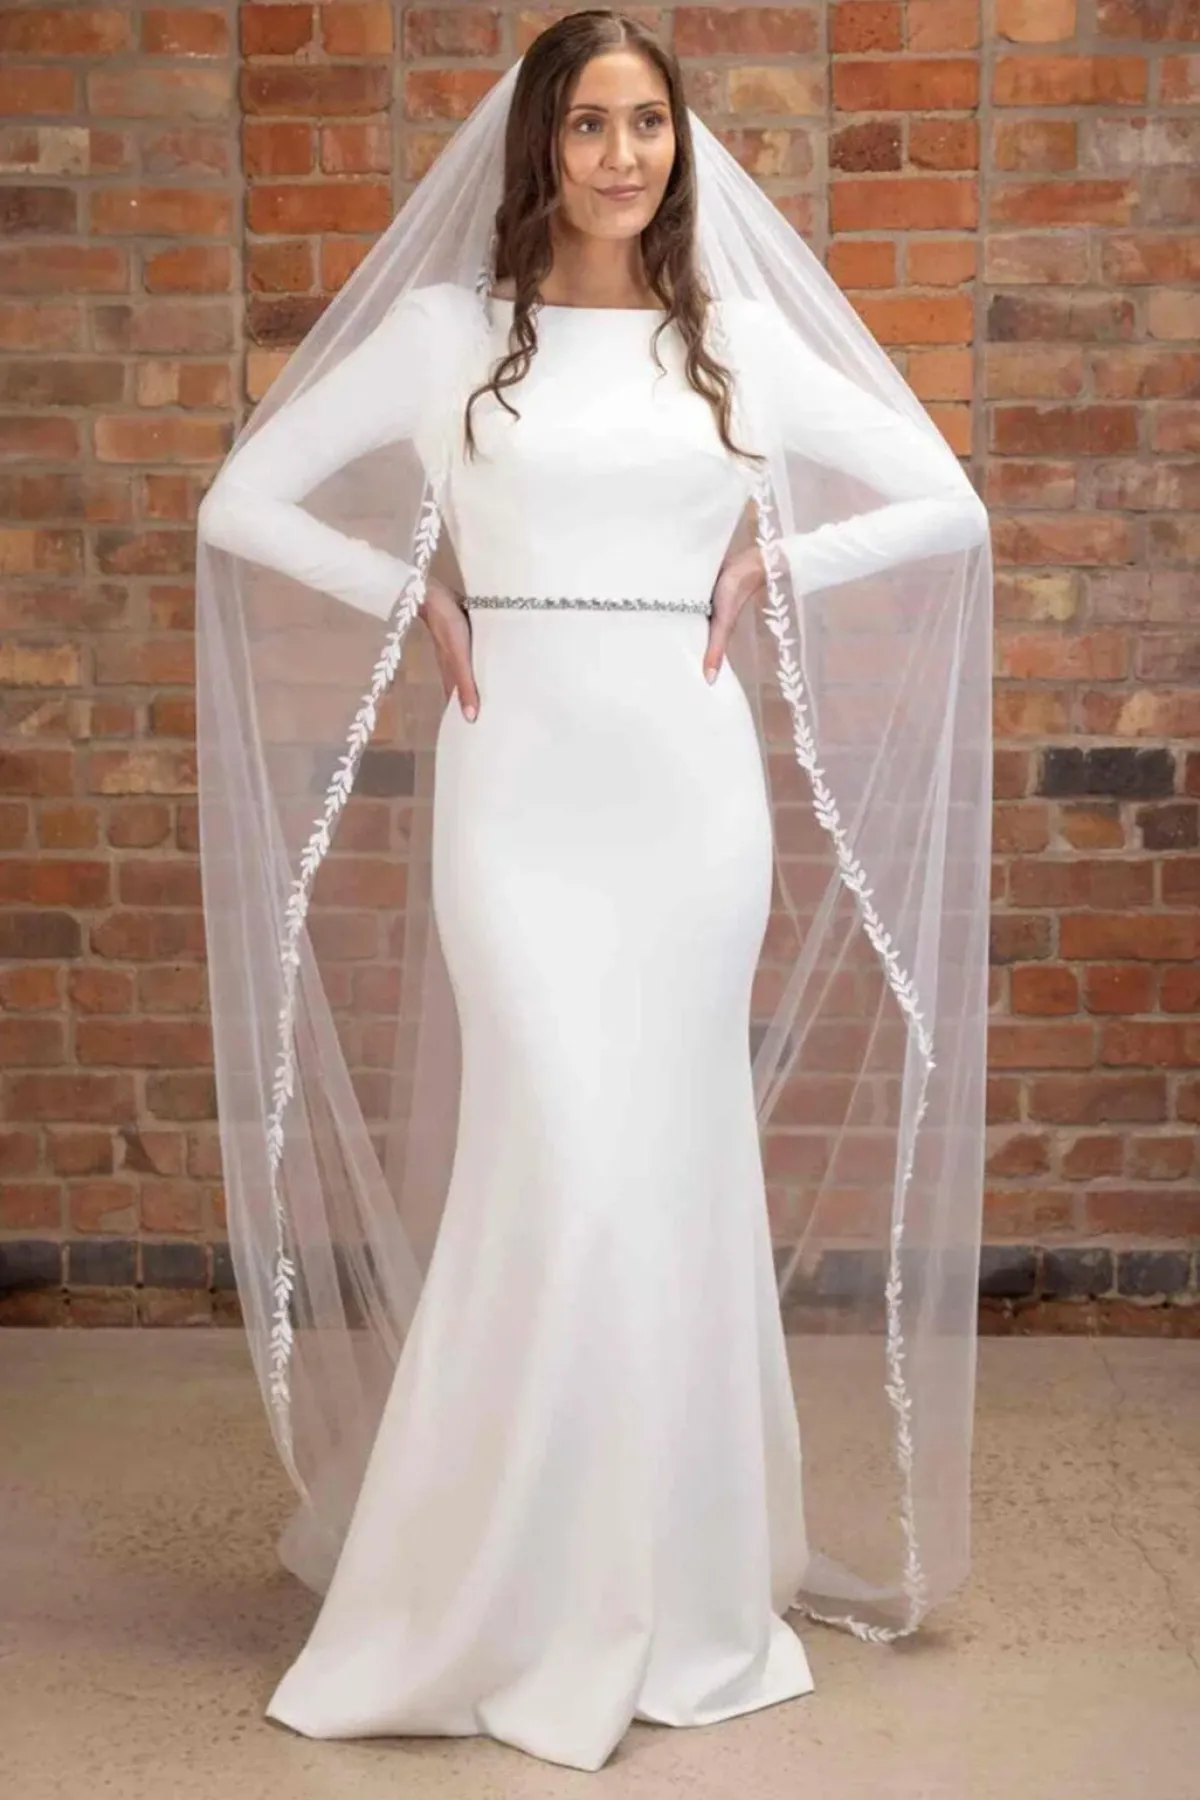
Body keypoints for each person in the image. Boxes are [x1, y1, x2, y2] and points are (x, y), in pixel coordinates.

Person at [195, 9, 993, 1773]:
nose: (621, 156)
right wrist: (412, 596)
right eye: (586, 125)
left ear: (679, 143)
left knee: (662, 1176)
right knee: (553, 1163)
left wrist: (773, 564)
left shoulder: (737, 345)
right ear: (539, 147)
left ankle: (665, 1580)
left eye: (646, 123)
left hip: (690, 806)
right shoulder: (449, 336)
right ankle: (501, 1586)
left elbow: (945, 501)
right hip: (518, 796)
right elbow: (242, 500)